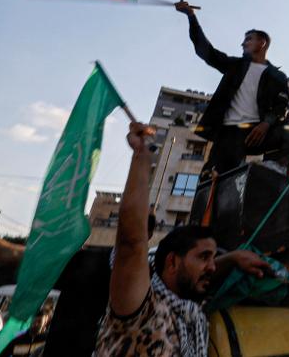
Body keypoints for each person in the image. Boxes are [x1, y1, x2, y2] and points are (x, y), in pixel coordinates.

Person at [95, 122, 269, 356]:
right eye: (204, 257)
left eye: (213, 258)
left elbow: (200, 274)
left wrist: (234, 258)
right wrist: (141, 156)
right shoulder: (140, 308)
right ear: (172, 263)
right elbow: (130, 244)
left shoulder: (192, 314)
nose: (212, 266)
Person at [0, 213, 157, 356]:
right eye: (128, 224)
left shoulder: (157, 283)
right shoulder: (87, 263)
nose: (131, 235)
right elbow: (23, 257)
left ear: (147, 236)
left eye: (138, 230)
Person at [175, 0, 289, 173]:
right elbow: (205, 51)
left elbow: (281, 106)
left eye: (248, 39)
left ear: (261, 43)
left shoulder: (277, 76)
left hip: (258, 132)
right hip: (231, 134)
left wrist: (266, 124)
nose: (243, 43)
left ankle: (279, 167)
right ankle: (215, 176)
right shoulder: (235, 66)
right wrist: (191, 17)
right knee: (217, 175)